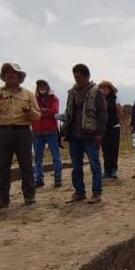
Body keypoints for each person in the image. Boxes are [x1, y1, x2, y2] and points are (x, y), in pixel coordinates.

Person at [0, 62, 41, 209]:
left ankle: (30, 196)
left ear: (19, 76)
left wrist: (29, 112)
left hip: (23, 132)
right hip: (3, 131)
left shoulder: (28, 94)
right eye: (7, 72)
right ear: (3, 76)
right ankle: (2, 199)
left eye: (13, 72)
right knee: (2, 166)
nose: (10, 74)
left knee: (26, 165)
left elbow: (37, 116)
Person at [60, 63, 107, 203]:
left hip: (90, 135)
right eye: (75, 77)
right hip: (74, 135)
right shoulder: (71, 93)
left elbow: (103, 114)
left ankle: (97, 193)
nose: (77, 79)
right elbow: (69, 113)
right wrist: (64, 131)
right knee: (76, 166)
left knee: (94, 164)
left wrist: (99, 133)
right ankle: (79, 192)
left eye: (79, 76)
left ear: (86, 76)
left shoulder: (96, 92)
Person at [32, 79, 63, 188]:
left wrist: (41, 112)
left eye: (44, 85)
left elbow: (55, 112)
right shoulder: (33, 99)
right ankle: (39, 179)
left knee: (56, 156)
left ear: (47, 86)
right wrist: (45, 111)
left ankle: (58, 178)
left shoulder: (54, 99)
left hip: (51, 131)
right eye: (40, 85)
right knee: (38, 157)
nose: (42, 87)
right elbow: (32, 112)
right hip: (37, 131)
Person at [98, 80, 122, 179]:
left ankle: (113, 169)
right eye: (102, 88)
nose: (104, 89)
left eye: (106, 88)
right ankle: (106, 169)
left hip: (114, 126)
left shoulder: (115, 98)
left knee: (114, 149)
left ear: (110, 89)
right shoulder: (98, 100)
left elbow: (119, 111)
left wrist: (119, 121)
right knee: (105, 149)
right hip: (103, 127)